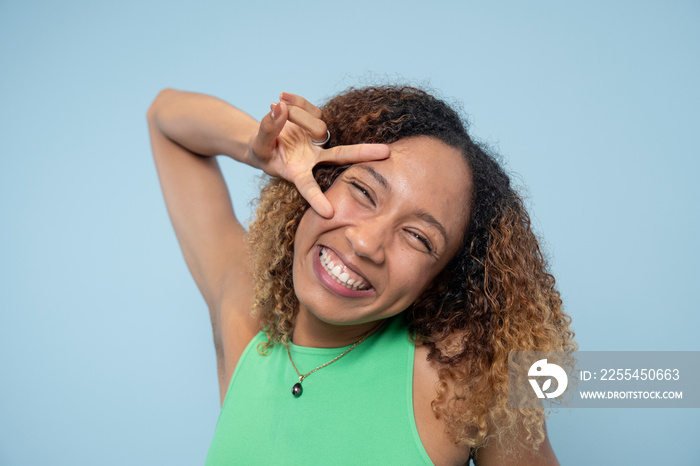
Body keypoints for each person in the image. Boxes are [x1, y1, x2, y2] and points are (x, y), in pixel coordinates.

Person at [147, 85, 575, 465]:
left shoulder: (463, 378)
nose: (367, 243)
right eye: (365, 192)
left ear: (439, 279)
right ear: (324, 177)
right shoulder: (247, 322)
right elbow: (166, 116)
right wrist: (263, 149)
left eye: (418, 237)